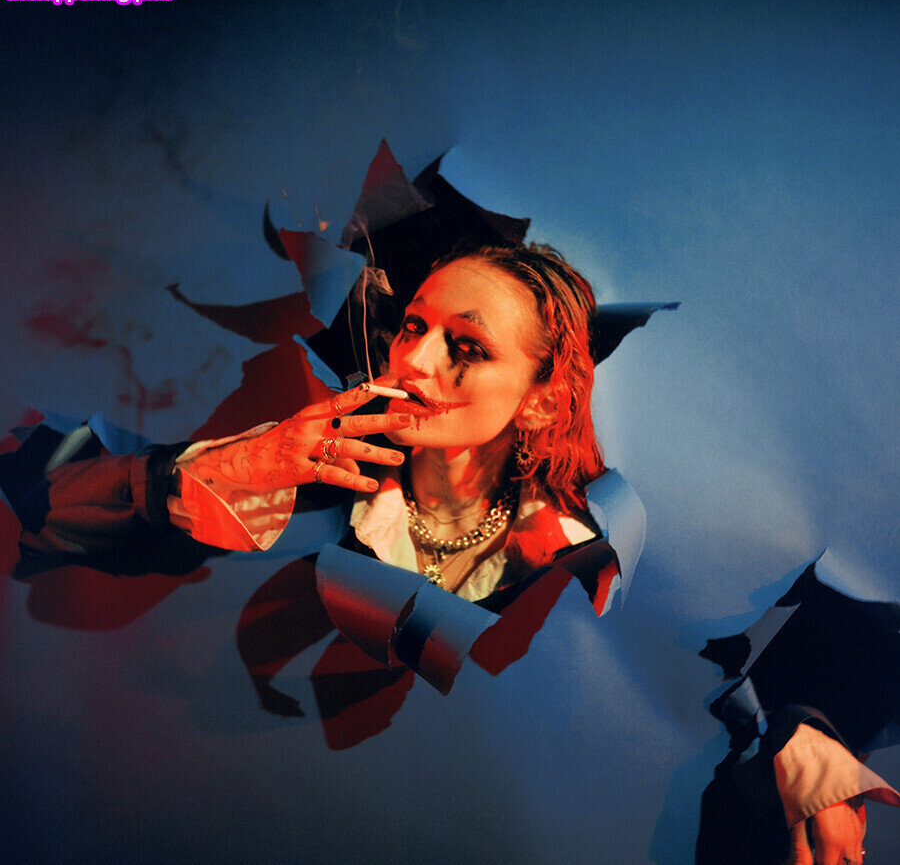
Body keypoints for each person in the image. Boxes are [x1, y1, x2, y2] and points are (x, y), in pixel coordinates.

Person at [1, 241, 891, 863]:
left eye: (465, 347)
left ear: (540, 398)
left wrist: (806, 733)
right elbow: (46, 515)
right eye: (411, 327)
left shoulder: (590, 542)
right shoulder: (304, 472)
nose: (414, 362)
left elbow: (726, 654)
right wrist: (220, 469)